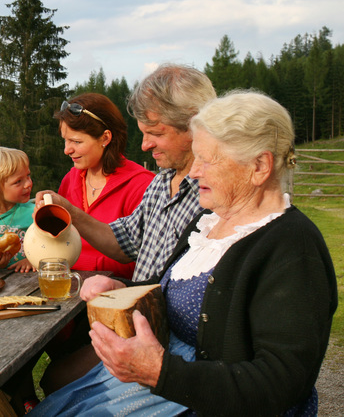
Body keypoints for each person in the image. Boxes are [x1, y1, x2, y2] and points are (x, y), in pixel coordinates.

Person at [31, 91, 337, 416]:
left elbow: (282, 383)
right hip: (165, 380)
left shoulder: (292, 246)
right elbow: (165, 290)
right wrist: (125, 292)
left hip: (199, 397)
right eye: (195, 157)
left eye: (208, 159)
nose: (194, 172)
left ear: (259, 166)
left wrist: (160, 372)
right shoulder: (207, 222)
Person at [36, 64, 216, 395]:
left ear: (196, 126)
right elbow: (122, 242)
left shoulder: (215, 194)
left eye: (156, 133)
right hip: (127, 321)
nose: (144, 145)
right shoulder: (161, 182)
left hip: (162, 342)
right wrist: (70, 210)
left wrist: (116, 283)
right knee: (51, 379)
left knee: (55, 383)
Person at [53, 93, 154, 278]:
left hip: (116, 293)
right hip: (68, 290)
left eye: (76, 141)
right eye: (65, 140)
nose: (67, 150)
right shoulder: (70, 179)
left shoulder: (141, 185)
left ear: (105, 138)